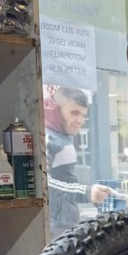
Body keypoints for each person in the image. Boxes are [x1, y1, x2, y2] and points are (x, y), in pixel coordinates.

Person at [45, 87, 112, 233]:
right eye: (74, 112)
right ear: (55, 110)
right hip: (52, 228)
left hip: (63, 225)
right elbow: (43, 184)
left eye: (83, 115)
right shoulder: (47, 138)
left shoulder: (61, 134)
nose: (80, 121)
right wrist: (85, 192)